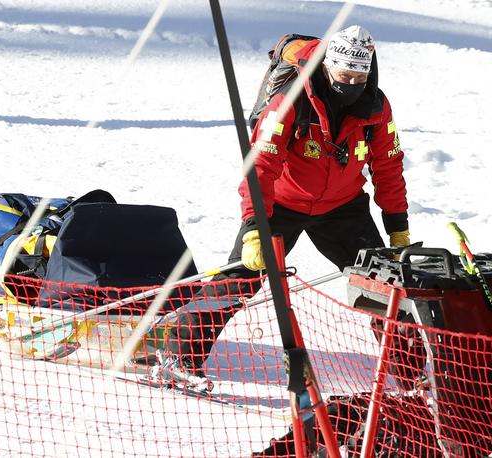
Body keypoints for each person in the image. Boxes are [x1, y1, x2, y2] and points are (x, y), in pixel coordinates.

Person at [153, 25, 411, 387]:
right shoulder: (291, 99)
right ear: (327, 67)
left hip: (343, 207)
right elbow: (260, 166)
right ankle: (179, 355)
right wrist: (254, 227)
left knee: (384, 284)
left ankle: (410, 374)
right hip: (281, 202)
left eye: (359, 76)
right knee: (242, 277)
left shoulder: (376, 105)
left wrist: (398, 226)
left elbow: (388, 165)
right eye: (343, 75)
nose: (350, 84)